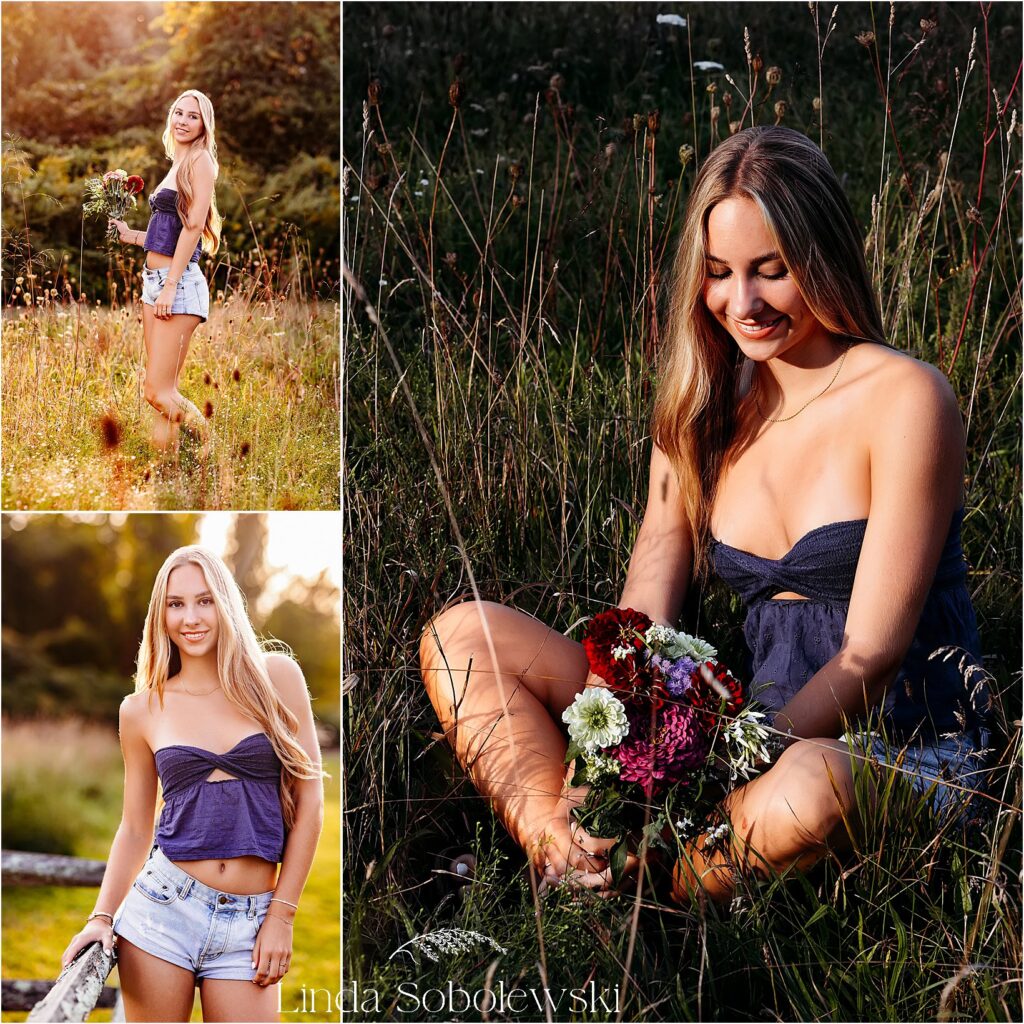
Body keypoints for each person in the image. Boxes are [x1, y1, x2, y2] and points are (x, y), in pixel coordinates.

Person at [418, 126, 990, 902]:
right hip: (743, 729)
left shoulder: (907, 399)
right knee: (461, 636)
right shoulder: (698, 414)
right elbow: (641, 621)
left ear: (821, 258)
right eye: (719, 274)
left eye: (772, 272)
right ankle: (566, 858)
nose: (741, 303)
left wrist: (720, 772)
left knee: (813, 787)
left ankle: (658, 887)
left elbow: (872, 657)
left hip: (898, 744)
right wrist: (606, 766)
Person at [60, 547, 324, 1022]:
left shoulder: (276, 677)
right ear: (160, 616)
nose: (191, 618)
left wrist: (281, 916)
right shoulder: (140, 710)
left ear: (225, 603)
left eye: (204, 601)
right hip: (162, 910)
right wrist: (101, 917)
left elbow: (311, 801)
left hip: (251, 920)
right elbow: (135, 828)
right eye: (175, 604)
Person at [109, 89, 222, 452]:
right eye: (178, 112)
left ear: (204, 123)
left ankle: (212, 448)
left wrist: (170, 286)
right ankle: (165, 465)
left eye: (192, 115)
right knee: (162, 393)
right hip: (153, 283)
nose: (183, 120)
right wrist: (129, 236)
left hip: (179, 284)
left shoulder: (201, 161)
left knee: (155, 391)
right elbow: (166, 235)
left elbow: (192, 229)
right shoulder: (178, 162)